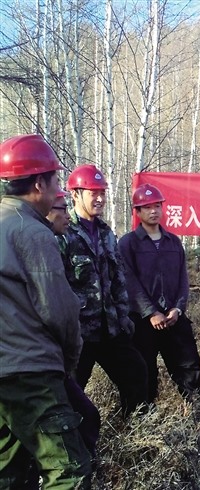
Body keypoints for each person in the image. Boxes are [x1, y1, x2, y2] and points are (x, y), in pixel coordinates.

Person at [0, 134, 92, 488]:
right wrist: (69, 360)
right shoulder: (33, 233)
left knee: (8, 473)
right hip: (31, 374)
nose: (58, 190)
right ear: (39, 183)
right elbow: (60, 311)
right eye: (55, 179)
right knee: (69, 472)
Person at [60, 163, 149, 417]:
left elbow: (118, 278)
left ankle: (134, 430)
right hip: (79, 333)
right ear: (75, 194)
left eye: (102, 193)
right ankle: (77, 437)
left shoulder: (106, 233)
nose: (99, 199)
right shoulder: (63, 232)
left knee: (136, 373)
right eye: (93, 193)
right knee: (70, 391)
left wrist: (124, 317)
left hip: (110, 327)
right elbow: (56, 285)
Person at [118, 183, 200, 409]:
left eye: (157, 206)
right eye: (147, 207)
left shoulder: (173, 242)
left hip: (173, 318)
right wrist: (151, 312)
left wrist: (178, 308)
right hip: (143, 321)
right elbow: (130, 282)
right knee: (143, 371)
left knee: (189, 367)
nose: (153, 211)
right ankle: (143, 419)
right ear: (138, 212)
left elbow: (183, 279)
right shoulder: (128, 243)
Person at [46, 189, 101, 456]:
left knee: (86, 415)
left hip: (64, 349)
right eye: (61, 209)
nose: (67, 215)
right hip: (39, 361)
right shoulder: (40, 245)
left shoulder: (50, 240)